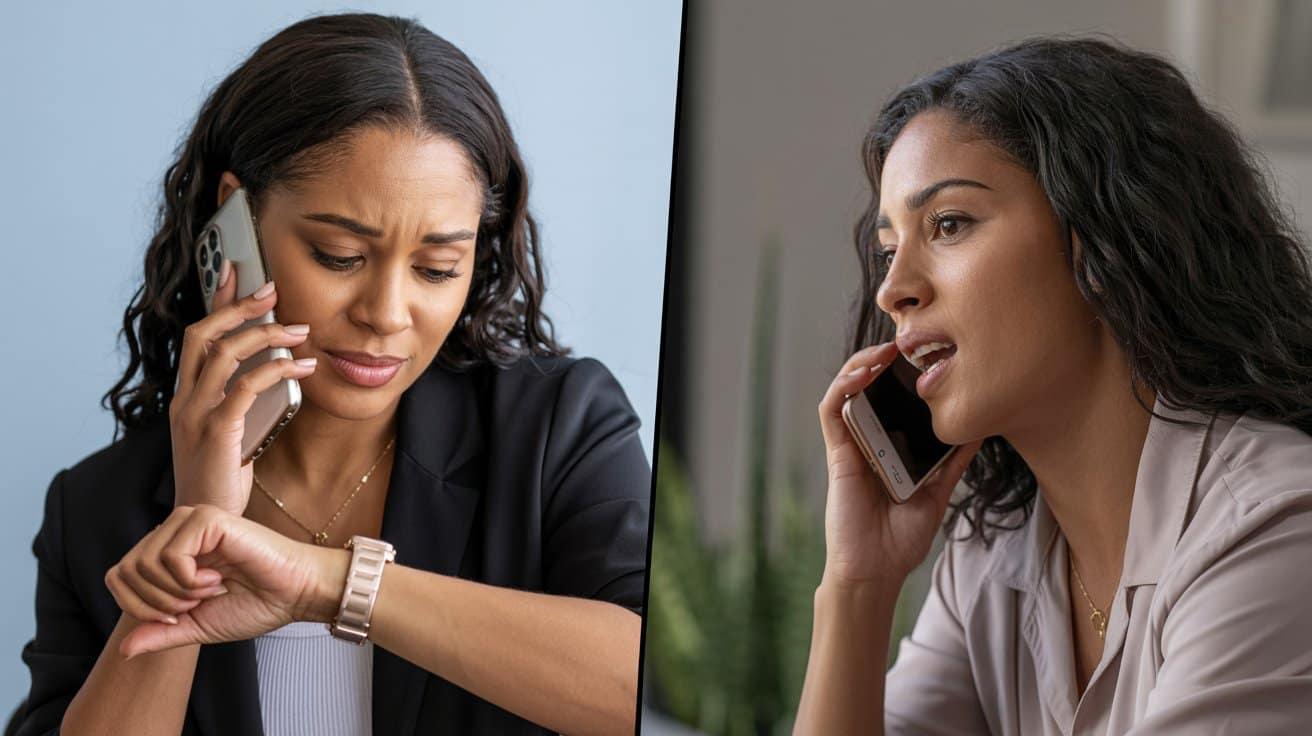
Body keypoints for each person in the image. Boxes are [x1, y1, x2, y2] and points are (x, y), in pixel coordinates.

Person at [15, 13, 649, 736]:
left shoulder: (556, 431)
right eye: (340, 256)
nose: (386, 313)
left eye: (437, 268)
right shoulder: (99, 509)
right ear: (236, 221)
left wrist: (327, 584)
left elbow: (641, 690)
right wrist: (198, 529)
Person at [795, 36, 1312, 734]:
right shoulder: (995, 556)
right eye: (889, 251)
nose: (893, 290)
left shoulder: (1274, 526)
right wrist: (859, 586)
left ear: (1101, 240)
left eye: (948, 224)